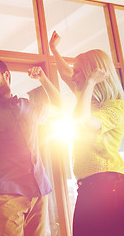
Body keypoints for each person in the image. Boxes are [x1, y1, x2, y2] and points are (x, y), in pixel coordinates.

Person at [0, 58, 62, 236]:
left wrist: (43, 79)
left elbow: (59, 107)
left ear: (6, 75)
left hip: (38, 189)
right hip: (8, 193)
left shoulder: (27, 105)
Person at [49, 31, 124, 236]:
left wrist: (90, 82)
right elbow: (66, 74)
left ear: (93, 73)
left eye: (78, 72)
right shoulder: (87, 99)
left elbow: (85, 122)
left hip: (109, 185)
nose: (72, 77)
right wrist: (54, 50)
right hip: (89, 185)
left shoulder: (115, 107)